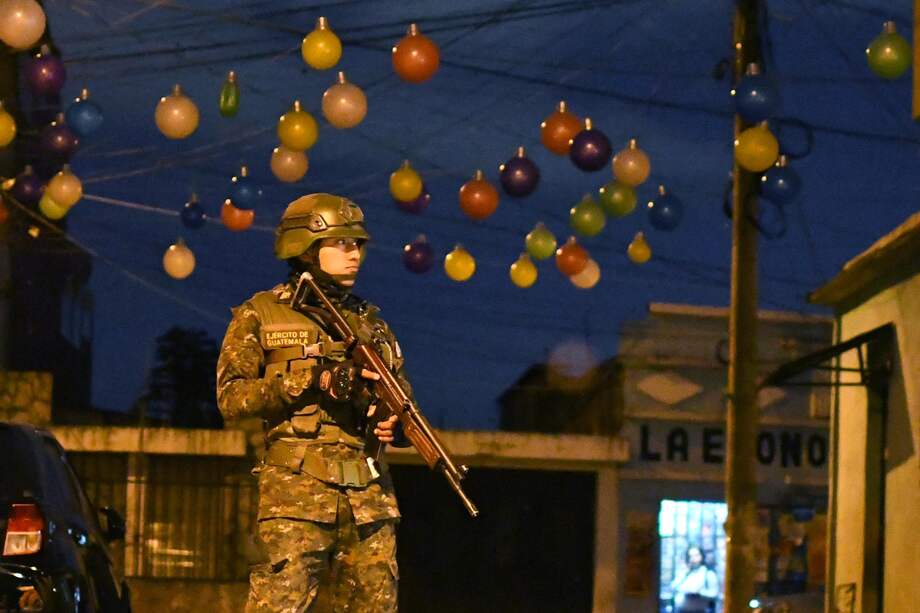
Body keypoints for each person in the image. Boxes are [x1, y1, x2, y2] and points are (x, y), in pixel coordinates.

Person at [217, 193, 412, 612]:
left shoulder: (372, 323)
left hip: (369, 498)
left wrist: (391, 422)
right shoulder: (261, 315)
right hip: (295, 497)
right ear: (305, 246)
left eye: (357, 244)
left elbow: (402, 395)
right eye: (341, 243)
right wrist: (311, 379)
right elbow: (231, 398)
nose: (354, 253)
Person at [670, 545, 719, 613]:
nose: (693, 559)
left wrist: (700, 593)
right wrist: (684, 574)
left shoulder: (708, 574)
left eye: (696, 555)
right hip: (681, 610)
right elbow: (673, 587)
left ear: (702, 556)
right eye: (691, 556)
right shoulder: (683, 573)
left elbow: (714, 594)